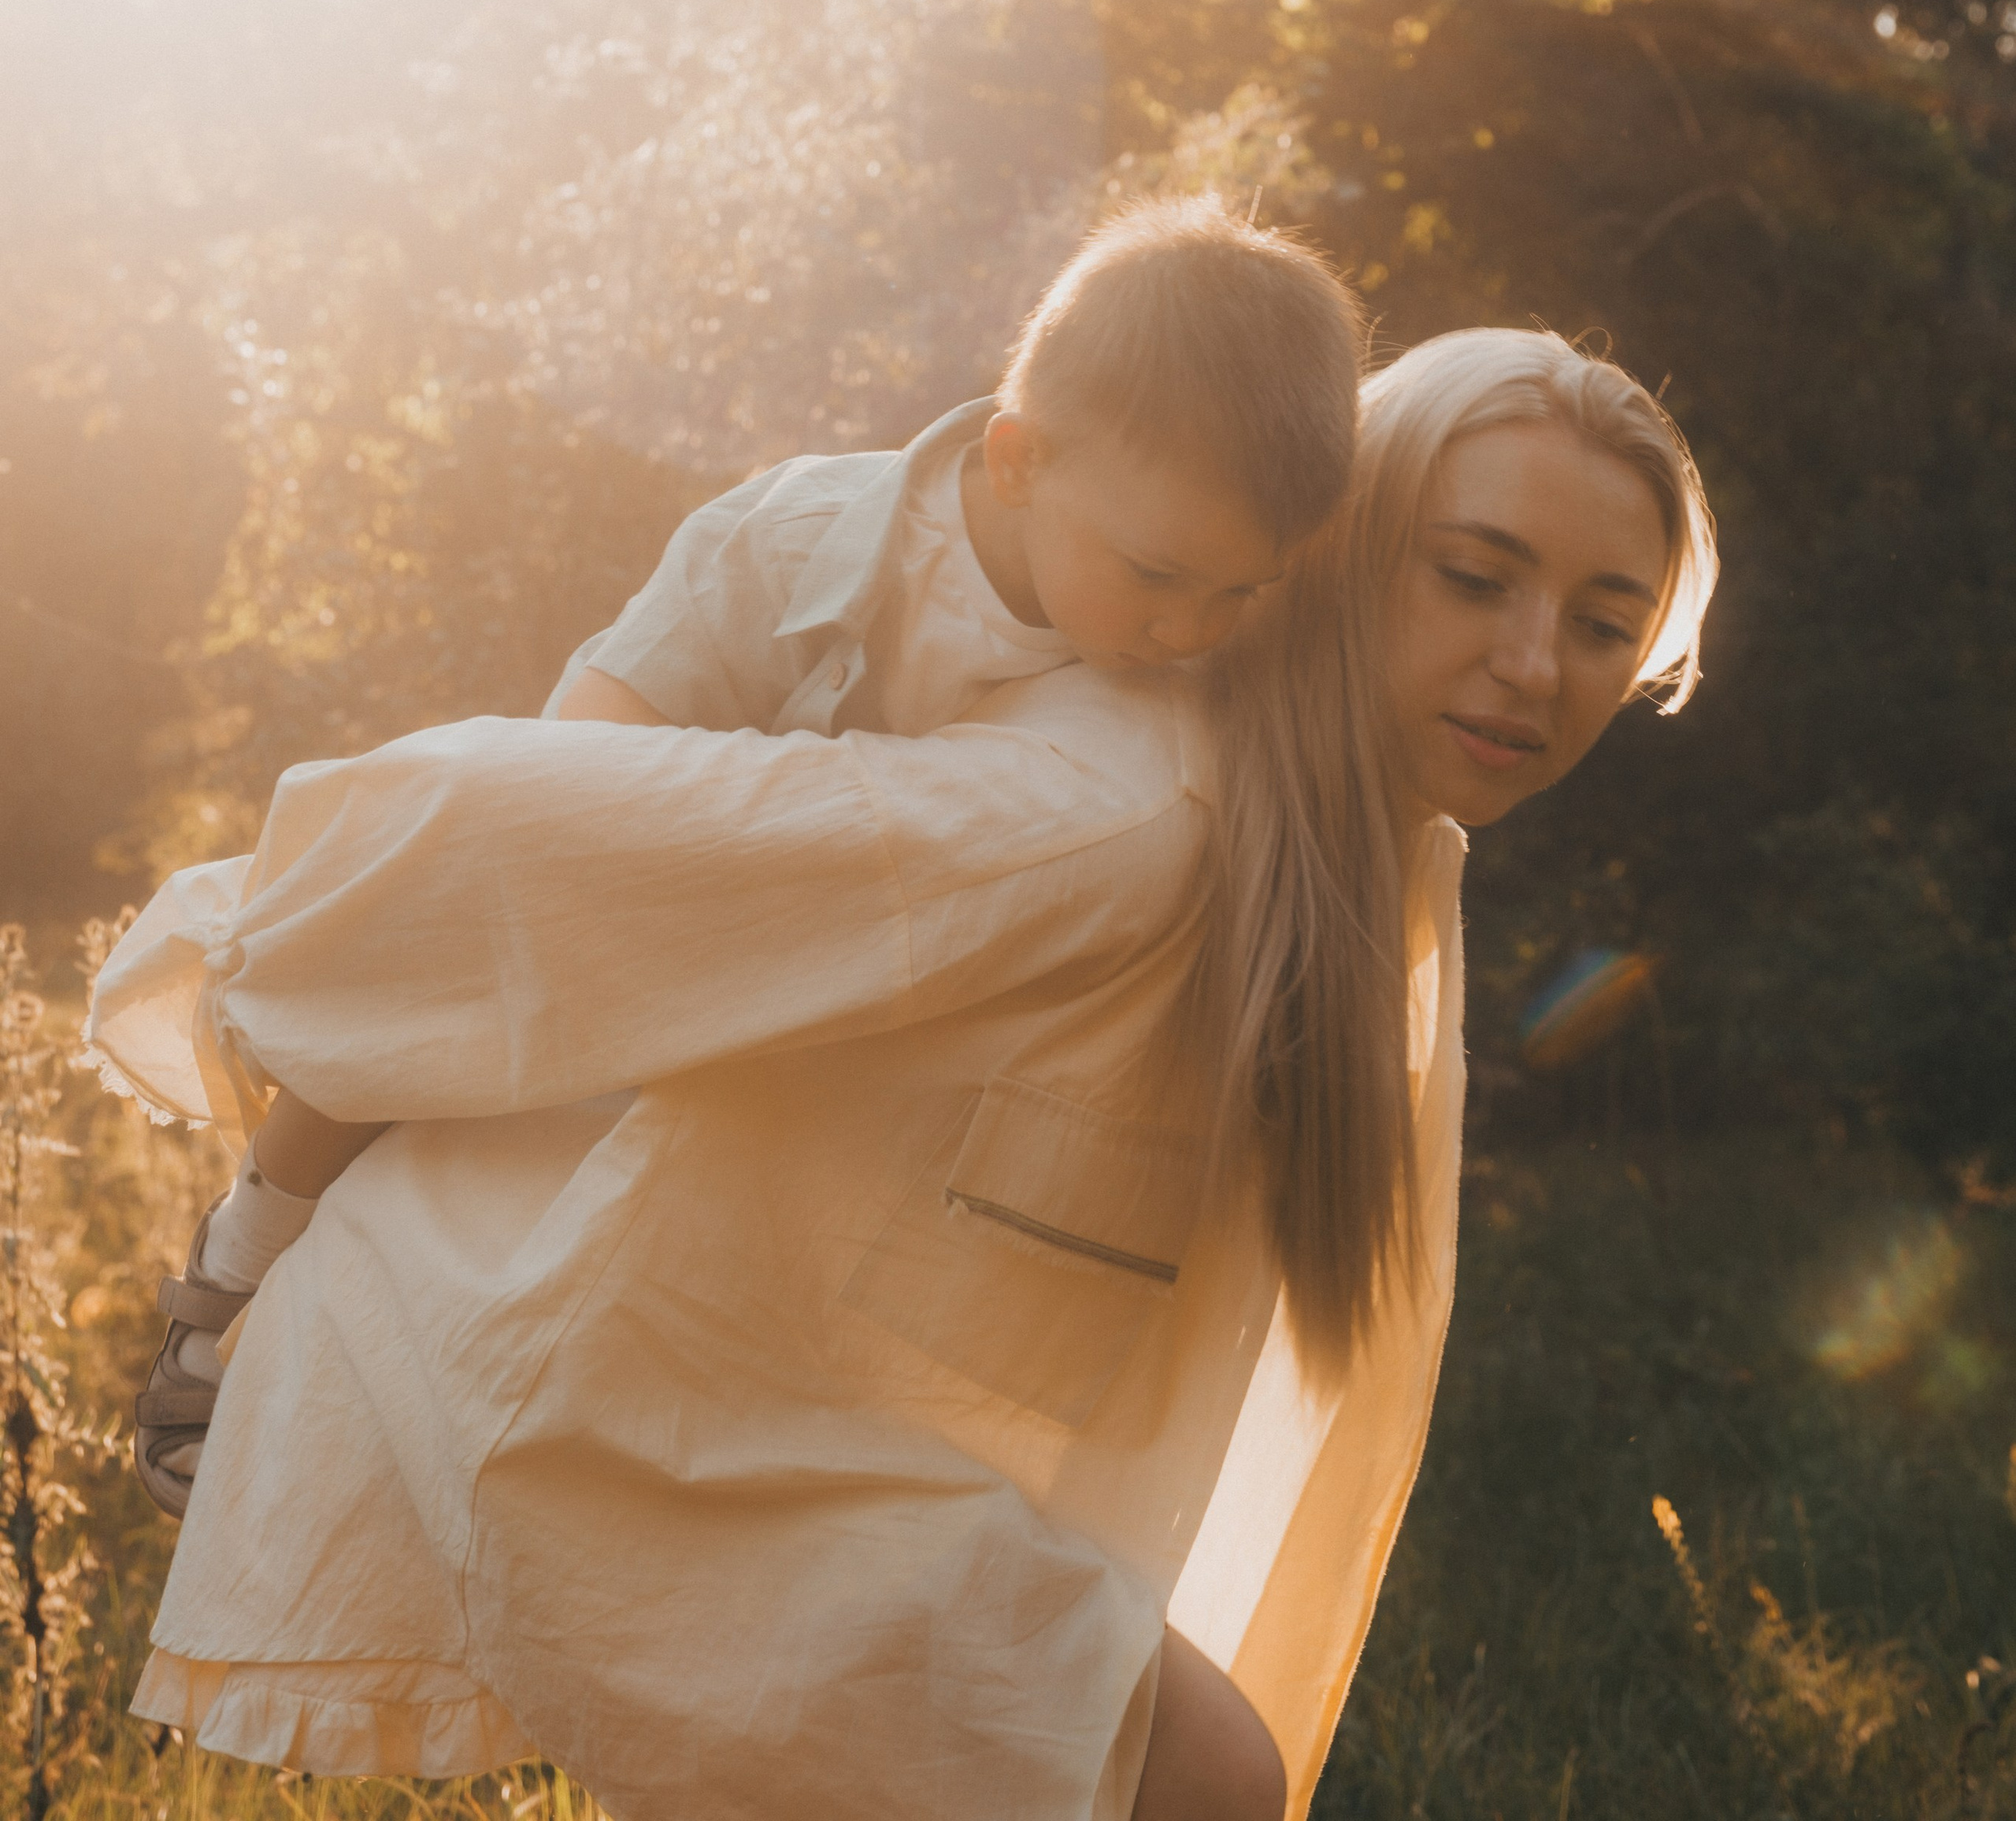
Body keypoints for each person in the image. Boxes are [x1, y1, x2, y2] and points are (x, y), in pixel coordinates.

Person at [89, 322, 1715, 1821]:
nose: (1531, 664)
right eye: (1471, 577)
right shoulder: (1125, 813)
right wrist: (259, 1197)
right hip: (613, 1397)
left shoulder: (1350, 856)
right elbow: (528, 855)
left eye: (1599, 622)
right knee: (1201, 1783)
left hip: (810, 1427)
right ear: (1335, 555)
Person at [132, 196, 1367, 1517]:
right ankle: (252, 1238)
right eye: (1162, 578)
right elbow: (575, 781)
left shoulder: (1152, 678)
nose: (1191, 631)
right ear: (1017, 462)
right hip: (659, 895)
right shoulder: (792, 543)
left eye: (1242, 594)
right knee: (464, 940)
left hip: (841, 1008)